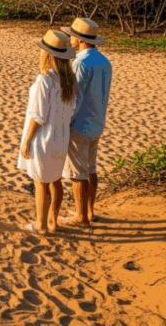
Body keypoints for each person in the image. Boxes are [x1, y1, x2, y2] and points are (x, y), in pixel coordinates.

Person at [18, 30, 77, 234]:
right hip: (61, 136)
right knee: (55, 180)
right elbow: (71, 110)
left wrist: (27, 140)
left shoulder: (45, 79)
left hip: (44, 137)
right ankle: (53, 221)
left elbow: (38, 115)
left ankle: (41, 225)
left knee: (41, 183)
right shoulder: (68, 80)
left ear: (48, 54)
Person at [60, 18, 112, 227]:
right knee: (91, 168)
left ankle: (81, 217)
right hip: (97, 121)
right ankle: (89, 211)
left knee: (77, 173)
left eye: (72, 36)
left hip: (81, 124)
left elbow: (76, 97)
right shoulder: (104, 61)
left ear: (80, 39)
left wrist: (65, 123)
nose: (70, 39)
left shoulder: (81, 62)